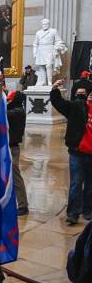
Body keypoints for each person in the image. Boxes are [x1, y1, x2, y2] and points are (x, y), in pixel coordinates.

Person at [50, 79, 91, 224]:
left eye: (84, 93)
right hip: (77, 151)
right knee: (76, 182)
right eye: (79, 93)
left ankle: (88, 211)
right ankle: (73, 213)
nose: (82, 95)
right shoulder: (75, 107)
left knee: (90, 184)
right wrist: (55, 89)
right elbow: (59, 103)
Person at [7, 90, 29, 216]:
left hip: (12, 148)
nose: (8, 102)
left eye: (10, 100)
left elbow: (3, 113)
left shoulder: (18, 111)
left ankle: (22, 205)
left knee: (15, 176)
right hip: (5, 146)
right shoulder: (13, 109)